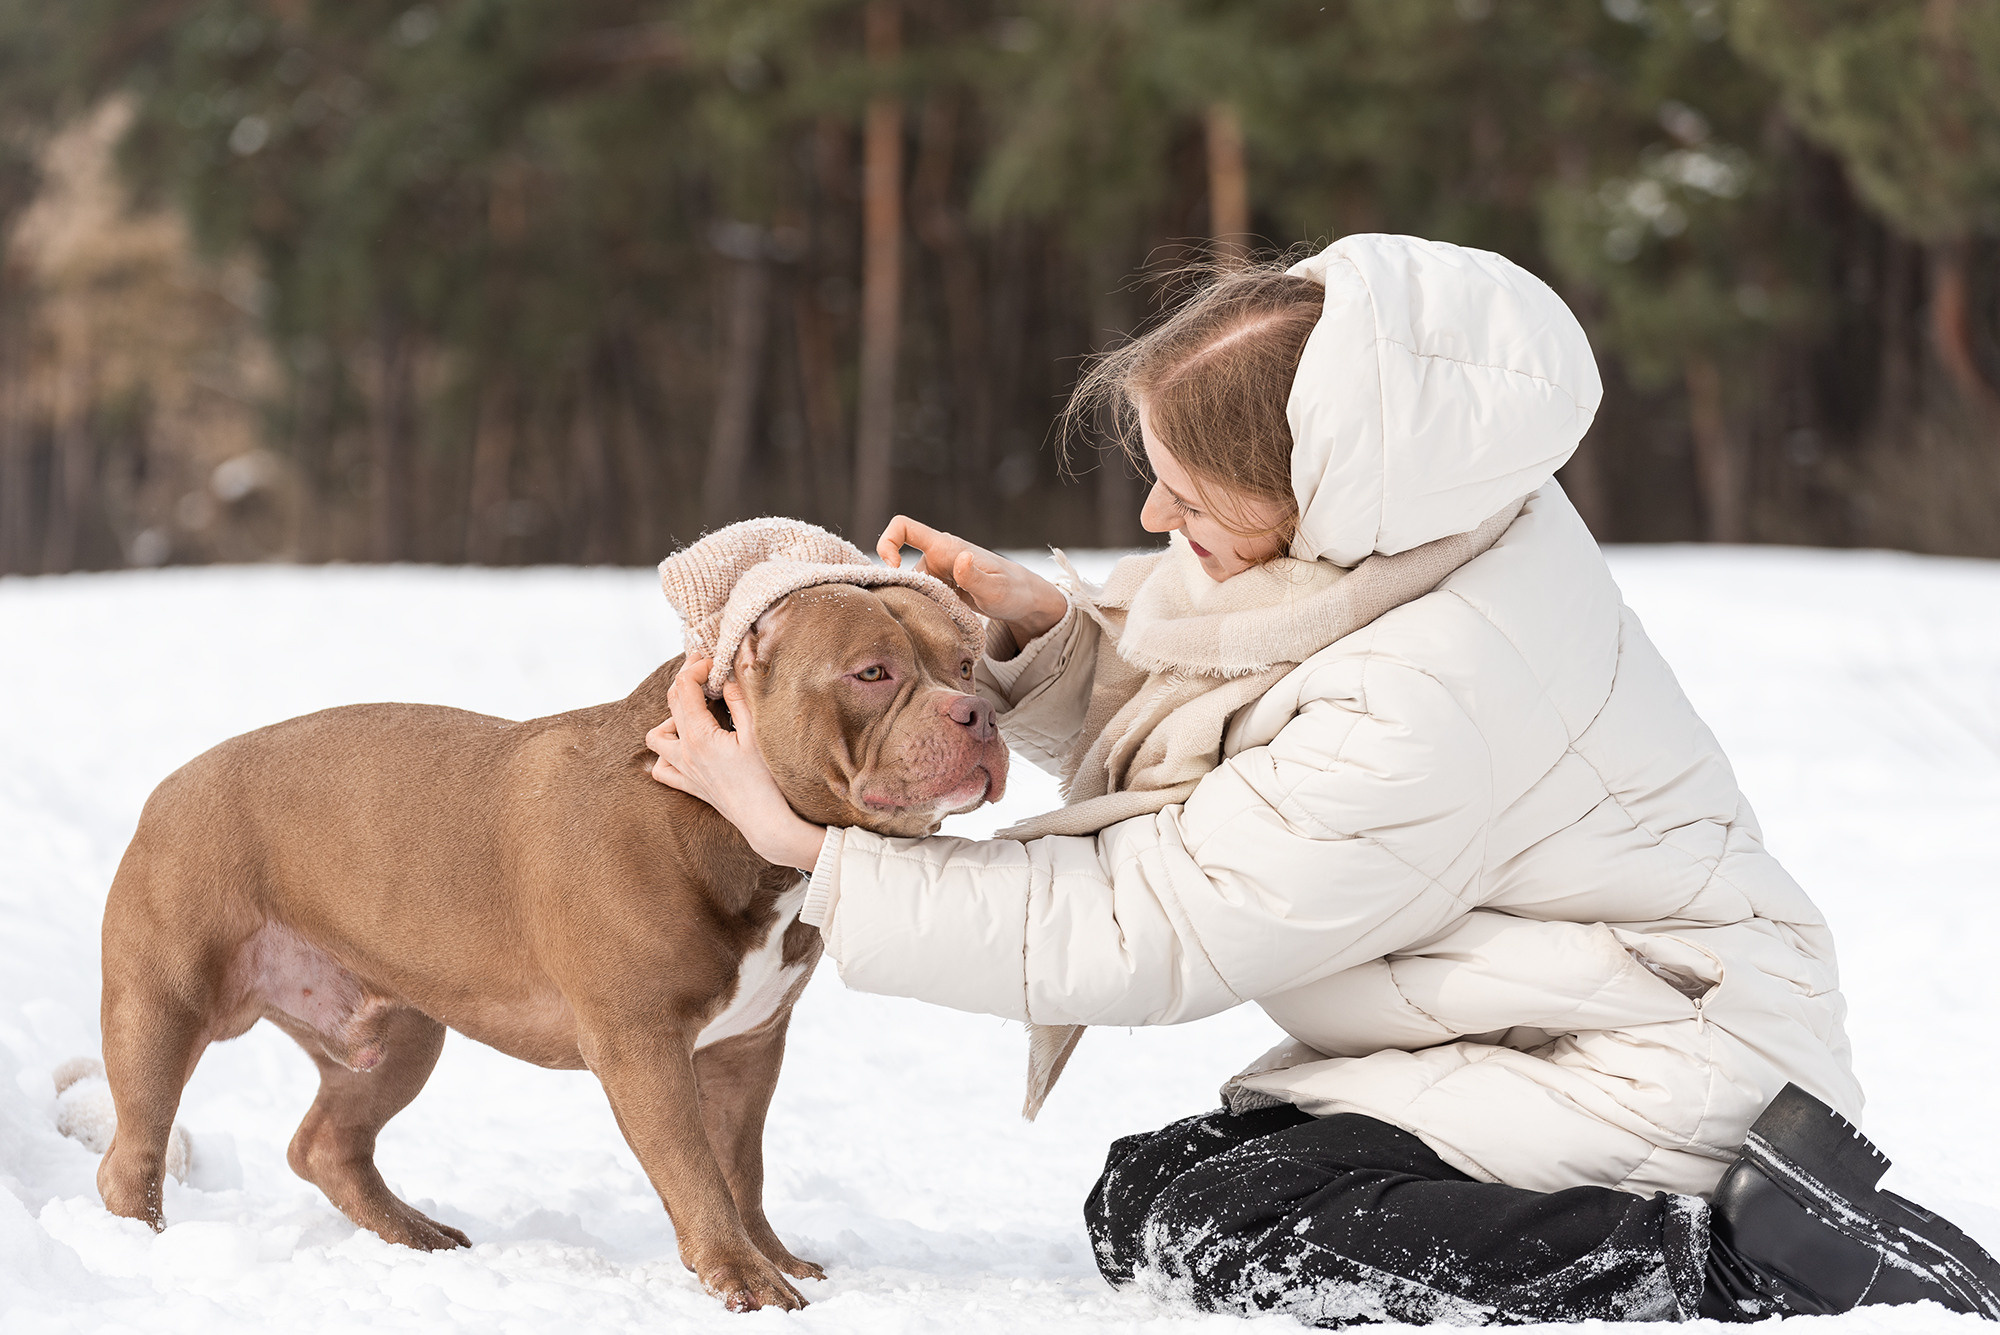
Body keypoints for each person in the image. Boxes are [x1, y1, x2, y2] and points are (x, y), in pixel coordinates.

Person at [646, 233, 2000, 1325]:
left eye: (1185, 493)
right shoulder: (1417, 529)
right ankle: (1717, 1235)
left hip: (1661, 1069)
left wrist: (815, 853)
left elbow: (1155, 919)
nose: (1151, 523)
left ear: (1320, 487)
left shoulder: (1432, 694)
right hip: (1545, 1019)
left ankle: (1737, 1259)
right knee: (1158, 1188)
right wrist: (1046, 642)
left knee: (1209, 1228)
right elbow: (1244, 726)